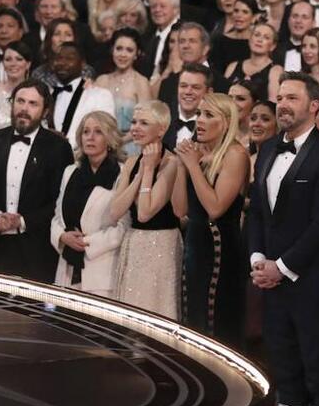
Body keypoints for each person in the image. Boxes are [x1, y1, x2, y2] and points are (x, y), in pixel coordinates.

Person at [248, 72, 319, 406]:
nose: (283, 104)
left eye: (292, 97)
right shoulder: (269, 148)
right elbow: (257, 212)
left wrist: (283, 267)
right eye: (280, 98)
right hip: (271, 285)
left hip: (310, 284)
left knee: (317, 376)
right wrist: (259, 260)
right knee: (283, 374)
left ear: (314, 105)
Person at [0, 78, 74, 283]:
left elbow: (61, 201)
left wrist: (22, 221)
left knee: (33, 313)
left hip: (38, 248)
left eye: (33, 104)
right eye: (20, 101)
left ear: (45, 111)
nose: (24, 109)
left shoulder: (58, 147)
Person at [173, 93, 249, 346]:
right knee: (192, 319)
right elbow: (180, 209)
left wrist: (193, 167)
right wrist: (182, 166)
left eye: (209, 115)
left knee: (216, 325)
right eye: (199, 115)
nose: (200, 121)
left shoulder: (235, 154)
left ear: (227, 122)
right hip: (194, 246)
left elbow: (215, 208)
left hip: (220, 250)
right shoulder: (197, 156)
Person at [110, 100, 182, 319]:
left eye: (144, 123)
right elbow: (114, 212)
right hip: (134, 242)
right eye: (133, 122)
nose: (135, 128)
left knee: (155, 309)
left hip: (161, 244)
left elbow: (144, 212)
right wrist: (141, 173)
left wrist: (149, 170)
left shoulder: (172, 163)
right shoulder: (132, 162)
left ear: (161, 129)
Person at [51, 111, 130, 297]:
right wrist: (62, 237)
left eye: (98, 132)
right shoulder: (70, 171)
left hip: (102, 273)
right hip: (66, 269)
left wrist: (85, 242)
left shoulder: (122, 173)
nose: (90, 137)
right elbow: (56, 216)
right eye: (86, 132)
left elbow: (124, 227)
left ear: (110, 139)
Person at [95, 28, 151, 156]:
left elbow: (146, 123)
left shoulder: (141, 82)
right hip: (100, 147)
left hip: (130, 148)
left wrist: (118, 142)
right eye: (119, 48)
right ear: (112, 50)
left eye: (129, 50)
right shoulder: (101, 81)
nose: (123, 54)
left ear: (137, 54)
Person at [51, 41, 115, 148]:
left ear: (82, 63)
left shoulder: (100, 96)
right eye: (59, 58)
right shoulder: (46, 94)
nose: (62, 63)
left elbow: (106, 133)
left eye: (69, 59)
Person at [224, 22, 283, 102]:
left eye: (266, 37)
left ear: (272, 46)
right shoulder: (233, 66)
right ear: (250, 39)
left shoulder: (275, 71)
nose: (260, 40)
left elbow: (273, 103)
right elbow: (222, 99)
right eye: (257, 35)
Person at [31, 18, 97, 88]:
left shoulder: (87, 72)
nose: (62, 39)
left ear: (74, 39)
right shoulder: (39, 74)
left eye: (68, 35)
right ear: (49, 40)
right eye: (57, 34)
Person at [209, 0, 259, 73]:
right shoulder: (219, 40)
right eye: (236, 11)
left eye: (245, 12)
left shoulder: (257, 43)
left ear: (254, 17)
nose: (239, 15)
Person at [228, 80, 259, 148]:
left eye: (240, 99)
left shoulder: (261, 138)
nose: (233, 103)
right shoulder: (220, 134)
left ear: (255, 104)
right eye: (229, 98)